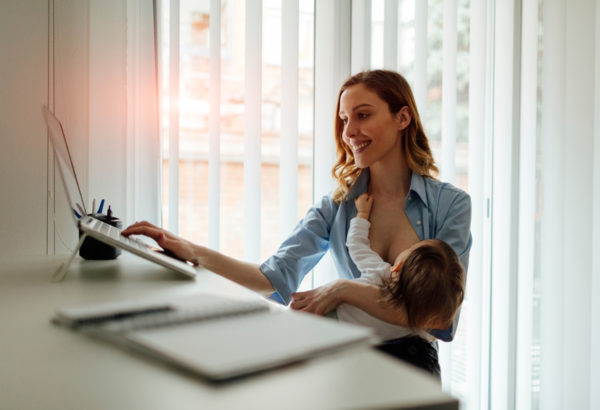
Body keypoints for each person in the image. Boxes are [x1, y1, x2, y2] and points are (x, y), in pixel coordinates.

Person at [122, 69, 472, 377]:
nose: (350, 131)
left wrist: (344, 289)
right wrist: (190, 249)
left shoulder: (451, 205)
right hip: (349, 359)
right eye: (344, 120)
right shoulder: (336, 207)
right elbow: (271, 279)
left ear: (403, 118)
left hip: (413, 367)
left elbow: (439, 318)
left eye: (362, 115)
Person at [330, 191, 465, 357]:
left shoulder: (381, 272)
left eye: (410, 248)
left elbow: (356, 244)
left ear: (397, 267)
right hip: (342, 343)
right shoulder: (418, 327)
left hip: (329, 315)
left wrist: (362, 214)